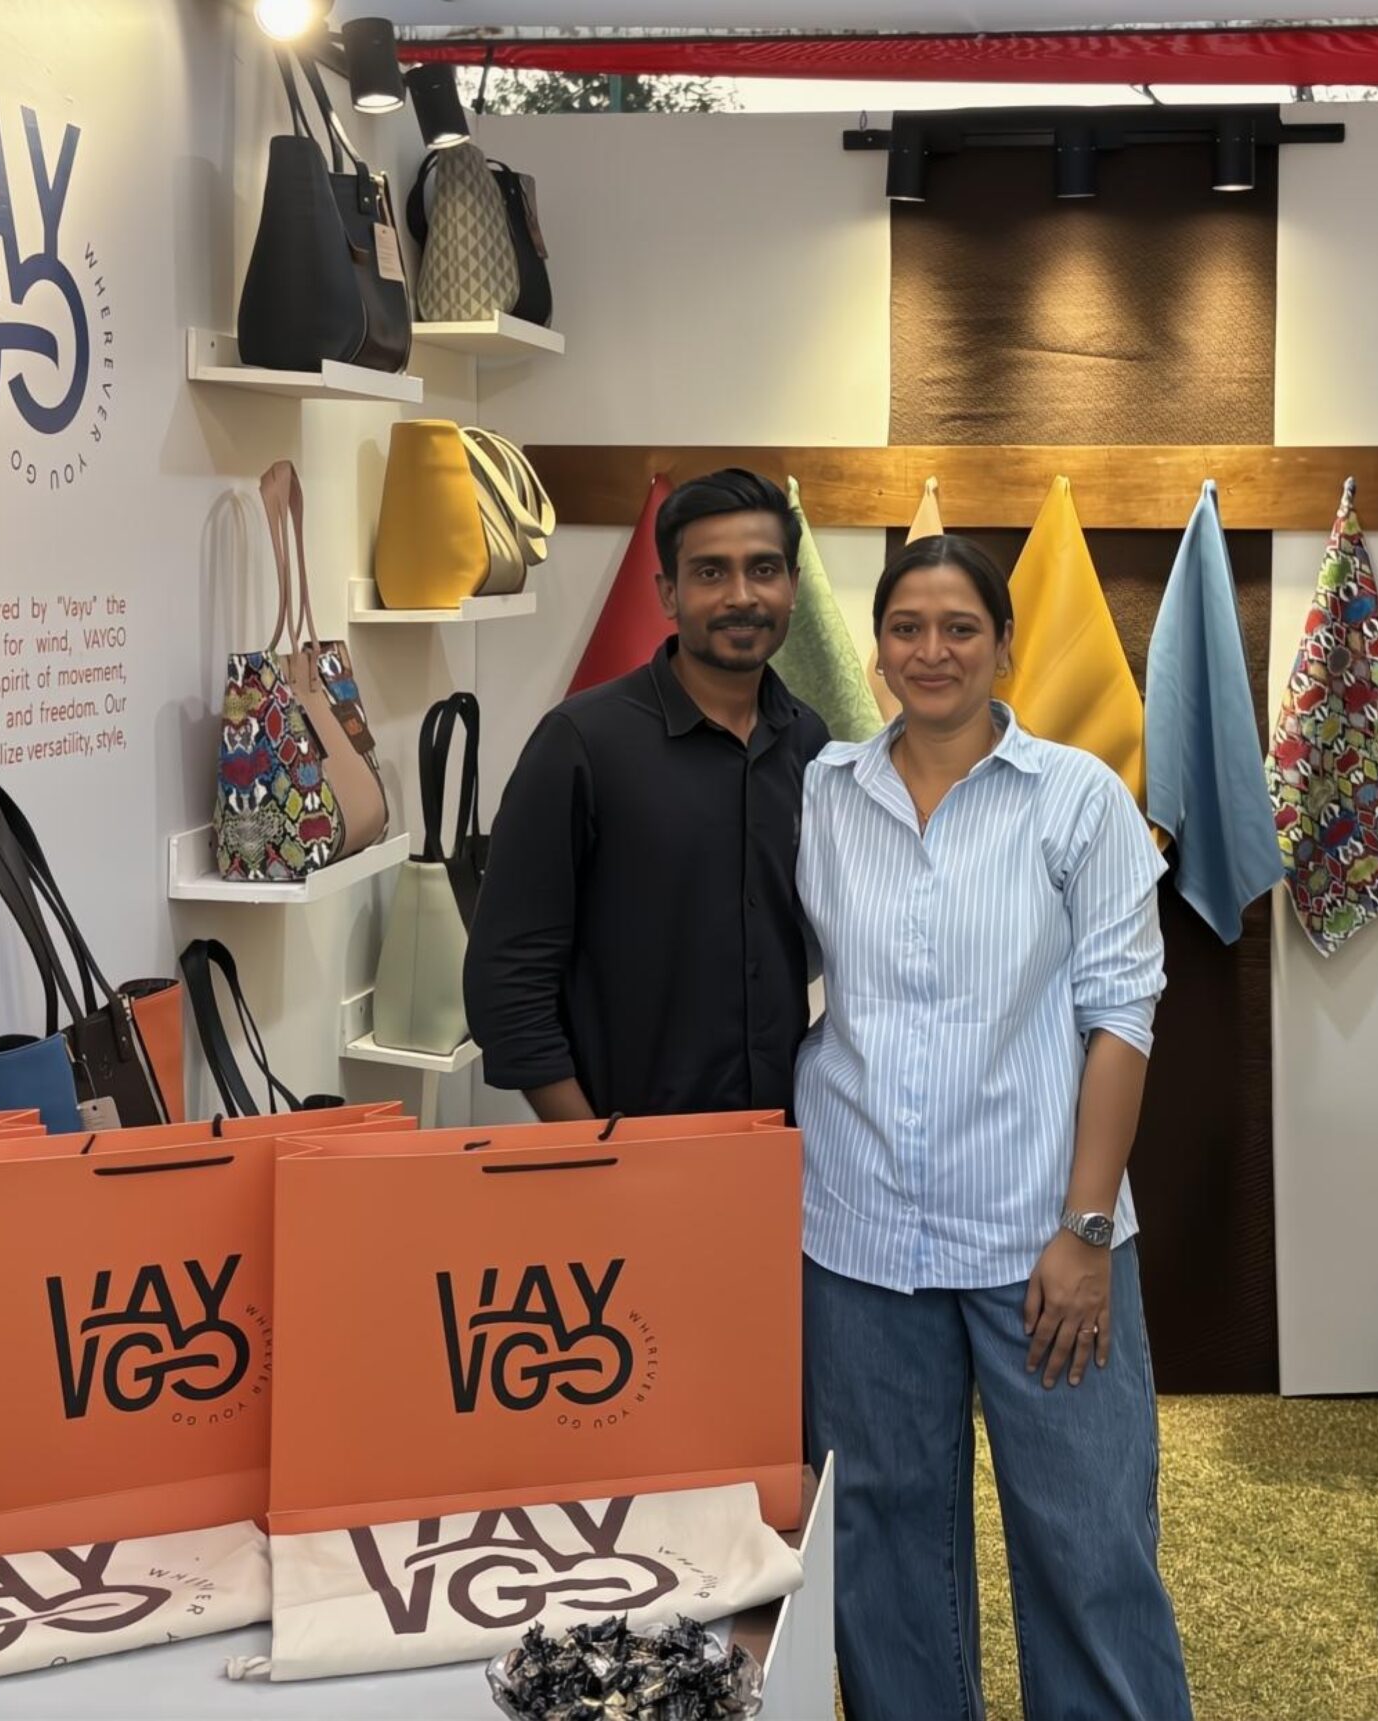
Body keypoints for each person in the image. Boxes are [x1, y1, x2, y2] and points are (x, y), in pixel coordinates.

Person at [796, 535, 1193, 1721]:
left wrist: (1085, 1228)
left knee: (1087, 1541)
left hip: (1041, 1240)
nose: (932, 650)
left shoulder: (1077, 797)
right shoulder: (821, 795)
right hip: (858, 1235)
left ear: (1004, 645)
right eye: (907, 627)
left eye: (959, 627)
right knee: (883, 1542)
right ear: (877, 649)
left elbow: (1121, 1017)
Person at [465, 468, 830, 1121]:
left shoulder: (810, 742)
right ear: (668, 592)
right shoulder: (582, 741)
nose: (741, 595)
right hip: (627, 1141)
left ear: (793, 587)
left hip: (782, 1140)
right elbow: (507, 974)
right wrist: (592, 1149)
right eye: (711, 572)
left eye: (763, 569)